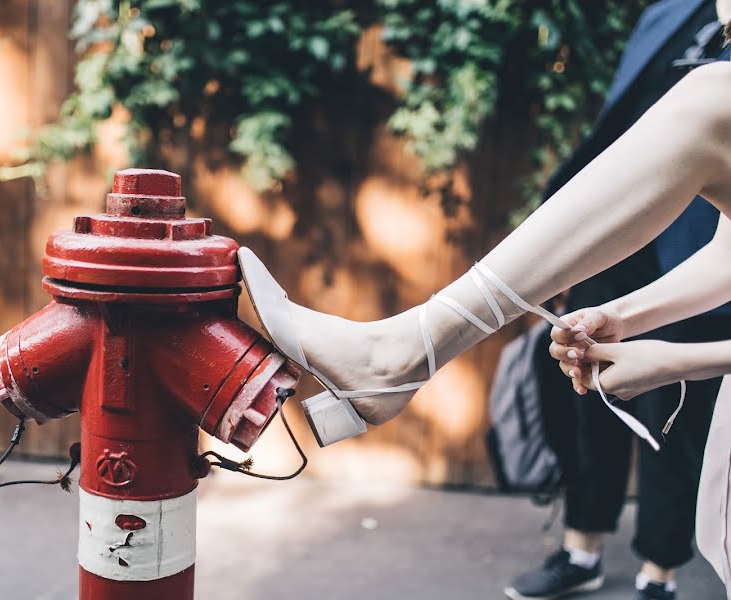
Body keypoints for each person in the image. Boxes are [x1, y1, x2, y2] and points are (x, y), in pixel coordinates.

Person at [236, 5, 731, 598]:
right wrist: (626, 316)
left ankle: (396, 357)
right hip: (638, 249)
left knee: (711, 96)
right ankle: (398, 361)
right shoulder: (668, 18)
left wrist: (682, 361)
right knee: (587, 419)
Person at [508, 2, 731, 599]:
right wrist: (561, 252)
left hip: (701, 243)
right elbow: (617, 130)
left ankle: (659, 573)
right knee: (585, 392)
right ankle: (581, 551)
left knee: (674, 419)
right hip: (619, 245)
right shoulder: (669, 10)